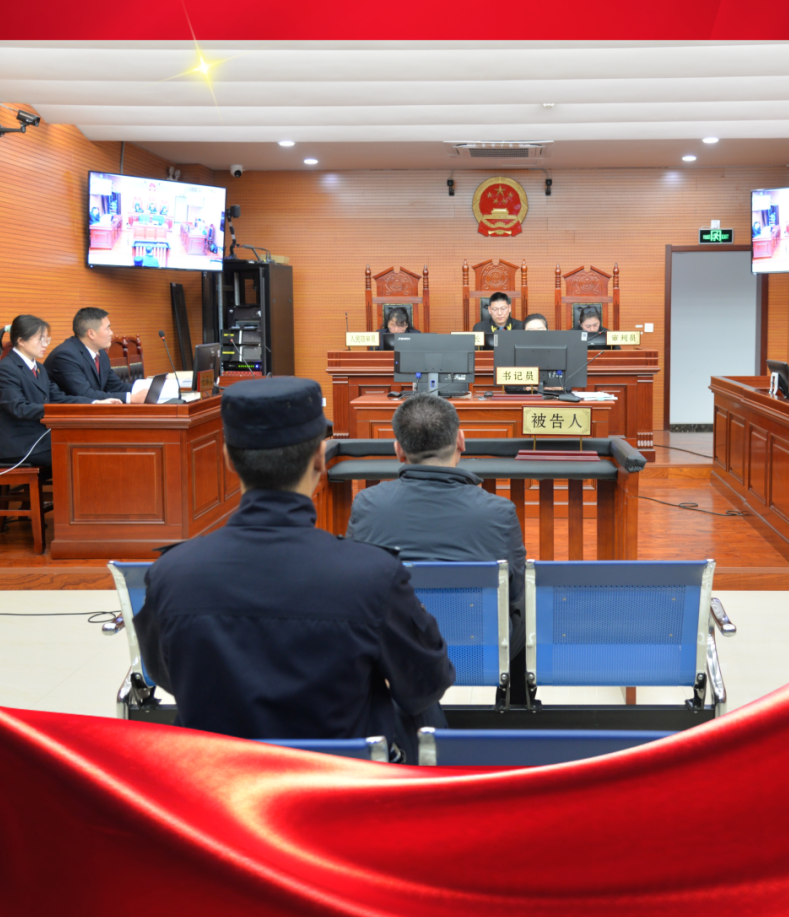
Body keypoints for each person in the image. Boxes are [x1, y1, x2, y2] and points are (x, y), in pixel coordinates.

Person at [134, 377, 453, 756]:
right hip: (341, 782)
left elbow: (168, 676)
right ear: (320, 457)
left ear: (228, 459)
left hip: (217, 785)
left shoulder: (171, 574)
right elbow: (425, 685)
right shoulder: (373, 575)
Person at [345, 391, 527, 658]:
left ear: (398, 451)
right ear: (461, 441)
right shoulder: (499, 512)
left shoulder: (367, 504)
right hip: (478, 654)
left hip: (394, 655)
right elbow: (516, 591)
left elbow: (354, 585)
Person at [0, 313, 118, 472]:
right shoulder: (6, 369)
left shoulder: (39, 368)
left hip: (39, 438)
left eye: (46, 339)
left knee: (91, 441)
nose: (45, 345)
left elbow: (59, 398)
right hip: (16, 445)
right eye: (40, 339)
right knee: (81, 451)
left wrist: (94, 403)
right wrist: (56, 411)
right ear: (21, 341)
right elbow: (19, 408)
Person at [44, 307, 129, 399]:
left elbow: (115, 386)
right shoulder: (65, 356)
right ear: (91, 334)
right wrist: (130, 398)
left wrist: (140, 391)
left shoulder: (101, 353)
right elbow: (86, 394)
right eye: (107, 328)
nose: (111, 333)